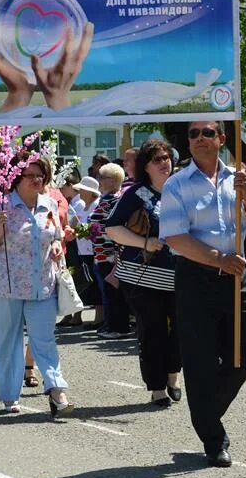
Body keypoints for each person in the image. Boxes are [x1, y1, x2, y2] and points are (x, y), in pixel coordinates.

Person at [160, 120, 246, 468]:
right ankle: (213, 437)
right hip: (197, 277)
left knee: (245, 355)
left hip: (236, 279)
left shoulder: (239, 178)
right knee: (200, 362)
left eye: (208, 133)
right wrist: (217, 258)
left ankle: (205, 414)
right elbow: (176, 238)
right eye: (193, 134)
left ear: (223, 139)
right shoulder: (176, 184)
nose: (200, 139)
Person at [0, 153, 72, 415]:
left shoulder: (50, 205)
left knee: (44, 339)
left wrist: (56, 246)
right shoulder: (0, 206)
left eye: (41, 175)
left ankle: (56, 389)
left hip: (42, 283)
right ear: (17, 178)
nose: (37, 180)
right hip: (6, 286)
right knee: (7, 340)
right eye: (31, 175)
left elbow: (55, 236)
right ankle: (9, 394)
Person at [105, 139, 181, 407]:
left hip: (180, 276)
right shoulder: (136, 194)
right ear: (145, 166)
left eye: (167, 157)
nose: (164, 163)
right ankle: (157, 386)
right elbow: (112, 228)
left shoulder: (182, 189)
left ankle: (173, 373)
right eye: (157, 159)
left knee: (182, 330)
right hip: (142, 275)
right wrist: (145, 243)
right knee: (152, 331)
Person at [87, 163, 131, 340]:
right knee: (109, 292)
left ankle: (118, 327)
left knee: (112, 292)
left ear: (113, 181)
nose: (100, 181)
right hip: (103, 252)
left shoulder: (112, 200)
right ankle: (112, 324)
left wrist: (91, 228)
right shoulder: (110, 198)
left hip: (109, 253)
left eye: (102, 178)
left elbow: (109, 224)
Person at [72, 175, 103, 328]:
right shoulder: (81, 205)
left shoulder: (97, 205)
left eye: (83, 190)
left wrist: (81, 229)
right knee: (85, 282)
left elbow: (95, 230)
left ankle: (99, 317)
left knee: (96, 284)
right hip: (82, 250)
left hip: (94, 251)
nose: (80, 193)